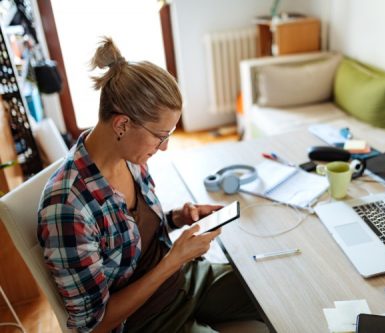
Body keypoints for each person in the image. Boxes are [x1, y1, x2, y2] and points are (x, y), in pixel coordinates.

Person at [37, 38, 261, 333]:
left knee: (269, 291)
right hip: (148, 322)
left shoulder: (131, 157)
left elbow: (129, 240)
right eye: (160, 135)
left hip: (183, 281)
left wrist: (176, 218)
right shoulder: (67, 209)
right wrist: (172, 261)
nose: (165, 147)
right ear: (122, 125)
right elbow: (93, 325)